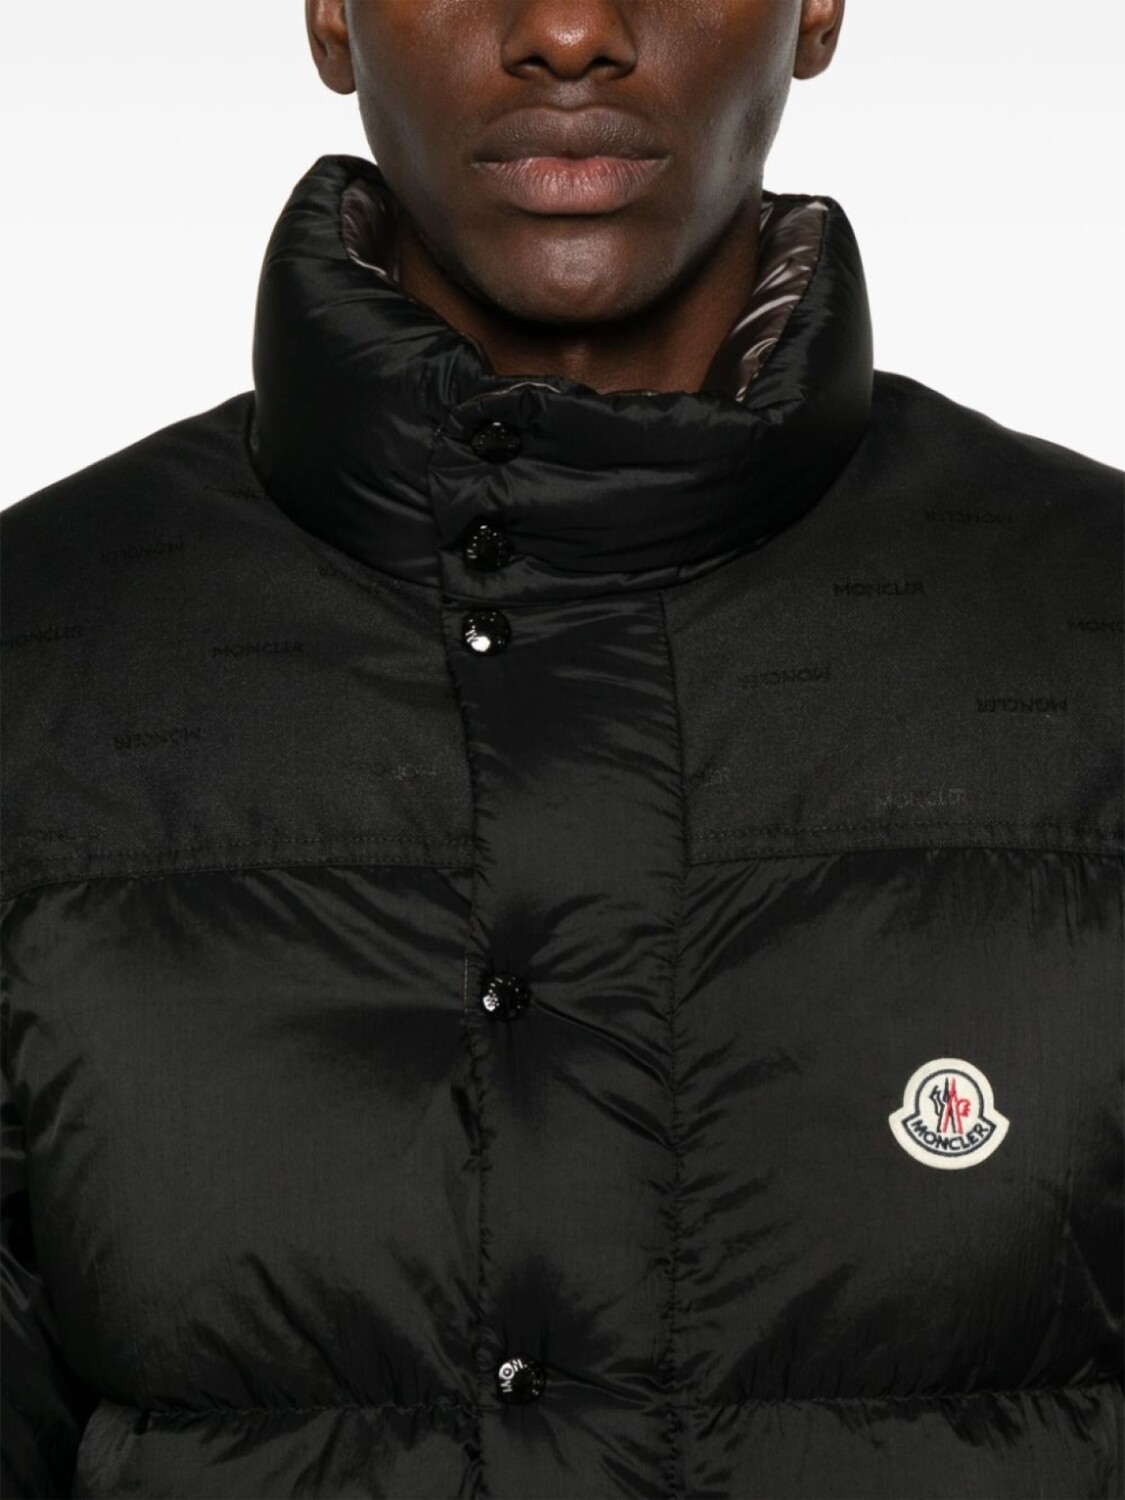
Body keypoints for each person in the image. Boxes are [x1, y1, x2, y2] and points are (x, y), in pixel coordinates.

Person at [2, 2, 1121, 1496]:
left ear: (817, 9)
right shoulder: (38, 659)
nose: (572, 29)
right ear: (331, 14)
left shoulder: (1093, 636)